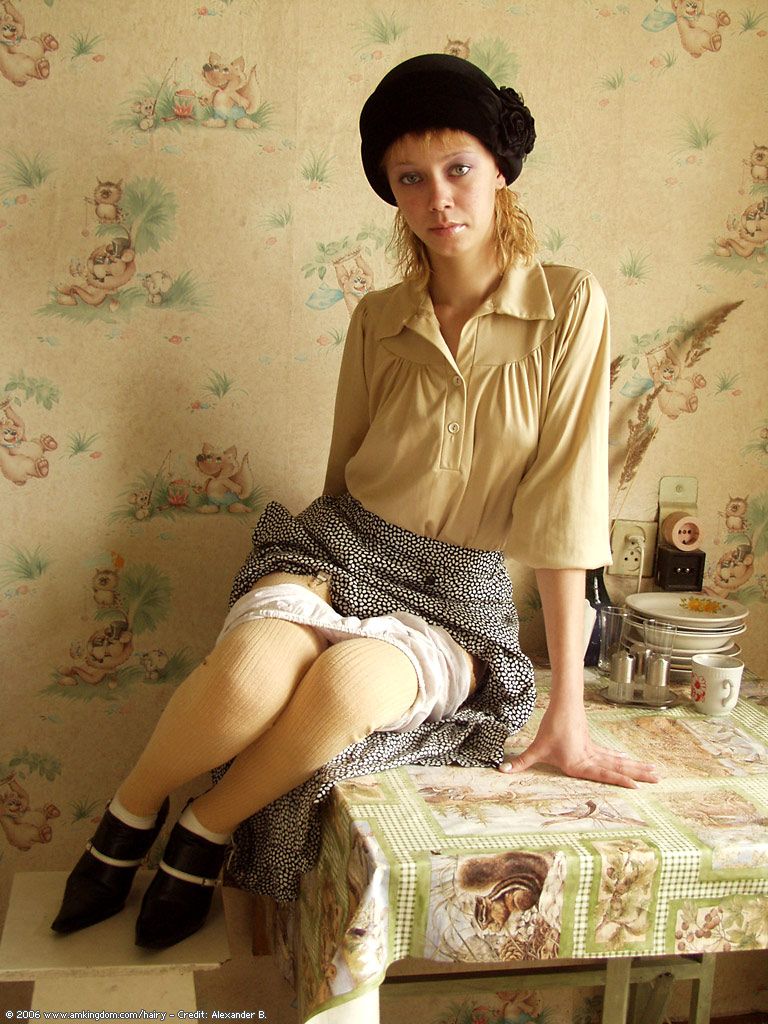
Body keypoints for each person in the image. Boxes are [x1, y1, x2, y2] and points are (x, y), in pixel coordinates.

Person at [51, 53, 658, 951]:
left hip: (456, 592)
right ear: (391, 192)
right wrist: (311, 588)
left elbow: (567, 508)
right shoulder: (378, 317)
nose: (438, 198)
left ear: (499, 168)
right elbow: (344, 467)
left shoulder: (568, 304)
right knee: (250, 679)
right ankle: (126, 819)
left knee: (344, 688)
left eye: (458, 168)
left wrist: (566, 703)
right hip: (343, 546)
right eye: (410, 179)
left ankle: (204, 831)